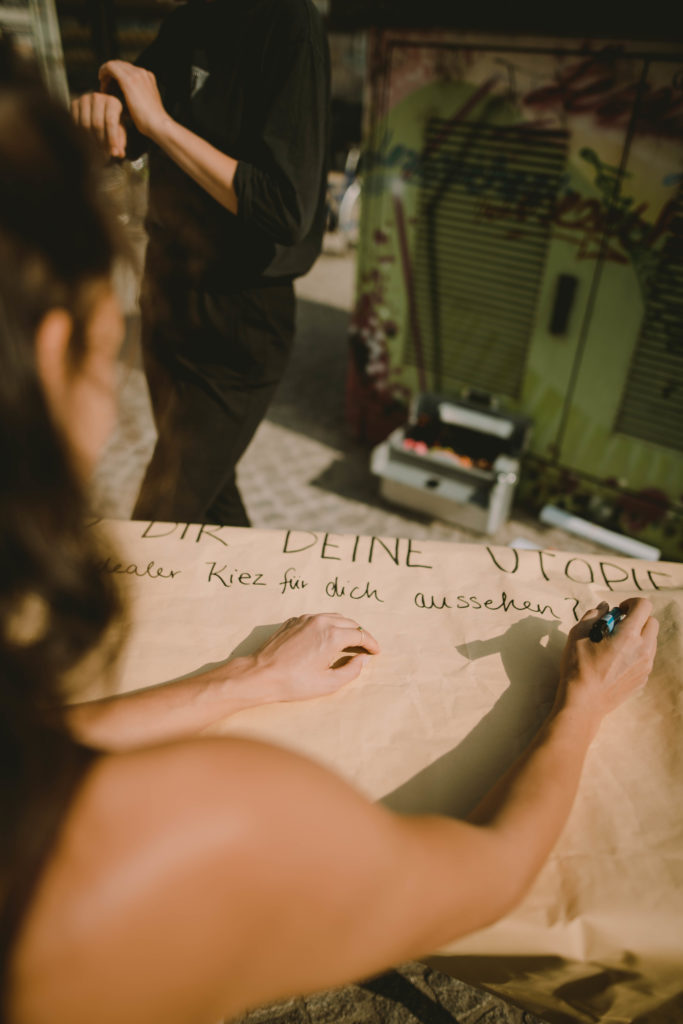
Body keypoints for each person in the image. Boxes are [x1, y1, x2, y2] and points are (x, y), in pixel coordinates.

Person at [1, 39, 660, 1024]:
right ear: (64, 344)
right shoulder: (199, 825)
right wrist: (579, 702)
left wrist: (246, 680)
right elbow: (481, 874)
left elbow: (34, 751)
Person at [71, 0, 330, 527]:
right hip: (166, 295)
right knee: (210, 495)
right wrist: (102, 115)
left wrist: (159, 123)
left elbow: (284, 207)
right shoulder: (189, 22)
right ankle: (259, 601)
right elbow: (130, 130)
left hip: (239, 319)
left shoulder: (288, 23)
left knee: (159, 518)